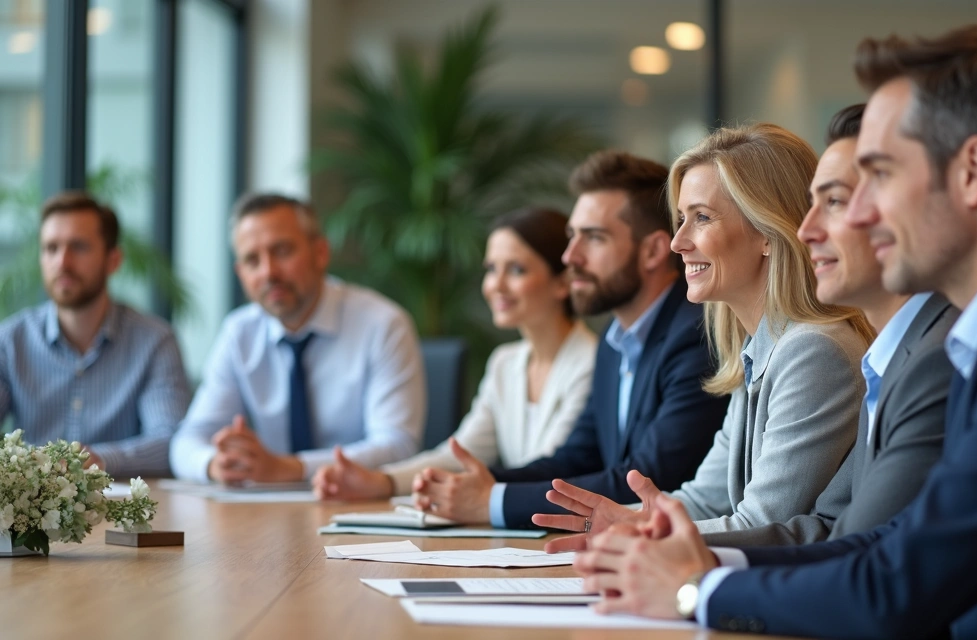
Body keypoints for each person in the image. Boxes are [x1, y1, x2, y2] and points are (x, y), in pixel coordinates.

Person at [574, 25, 977, 639]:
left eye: (879, 174)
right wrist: (705, 570)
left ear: (972, 172)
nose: (860, 212)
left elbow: (900, 587)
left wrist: (695, 591)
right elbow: (882, 543)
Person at [534, 123, 872, 548]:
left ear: (767, 231)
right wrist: (629, 522)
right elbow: (705, 500)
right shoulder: (760, 349)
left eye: (701, 218)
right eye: (681, 220)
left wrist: (638, 536)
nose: (678, 243)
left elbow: (762, 522)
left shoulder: (813, 351)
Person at [409, 150, 730, 529]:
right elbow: (577, 457)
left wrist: (493, 500)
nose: (570, 256)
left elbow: (650, 477)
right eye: (571, 237)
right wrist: (482, 484)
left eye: (593, 238)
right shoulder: (614, 344)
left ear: (654, 251)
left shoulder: (697, 335)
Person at [698, 105, 958, 547]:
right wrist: (631, 534)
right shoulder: (891, 357)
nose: (805, 230)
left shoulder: (832, 350)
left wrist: (670, 563)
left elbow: (859, 556)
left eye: (834, 201)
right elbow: (830, 527)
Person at [311, 207, 597, 500]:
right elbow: (460, 455)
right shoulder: (505, 362)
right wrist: (381, 481)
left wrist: (465, 488)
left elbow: (556, 468)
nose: (495, 286)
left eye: (516, 270)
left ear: (563, 282)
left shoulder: (593, 362)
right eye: (491, 269)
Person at [170, 194, 425, 483]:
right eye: (252, 260)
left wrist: (291, 468)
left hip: (360, 508)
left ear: (320, 253)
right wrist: (215, 464)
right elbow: (187, 441)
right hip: (269, 512)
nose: (269, 272)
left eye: (282, 251)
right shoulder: (239, 332)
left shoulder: (383, 324)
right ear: (241, 274)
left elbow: (397, 446)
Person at [0, 192, 191, 478]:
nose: (62, 262)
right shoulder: (10, 341)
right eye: (51, 248)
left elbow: (169, 442)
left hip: (125, 514)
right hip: (31, 513)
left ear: (113, 260)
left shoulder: (155, 342)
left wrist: (96, 459)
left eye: (78, 247)